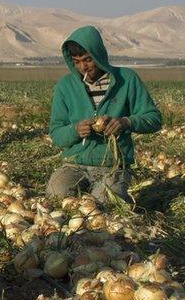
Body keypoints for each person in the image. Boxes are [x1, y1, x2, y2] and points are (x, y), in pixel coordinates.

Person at [46, 26, 162, 203]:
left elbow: (154, 119)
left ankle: (120, 198)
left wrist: (126, 122)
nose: (83, 67)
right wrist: (75, 130)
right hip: (75, 163)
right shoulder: (65, 86)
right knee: (56, 194)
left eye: (88, 60)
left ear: (99, 55)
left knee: (102, 202)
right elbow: (56, 134)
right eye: (77, 62)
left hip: (113, 165)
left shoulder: (127, 79)